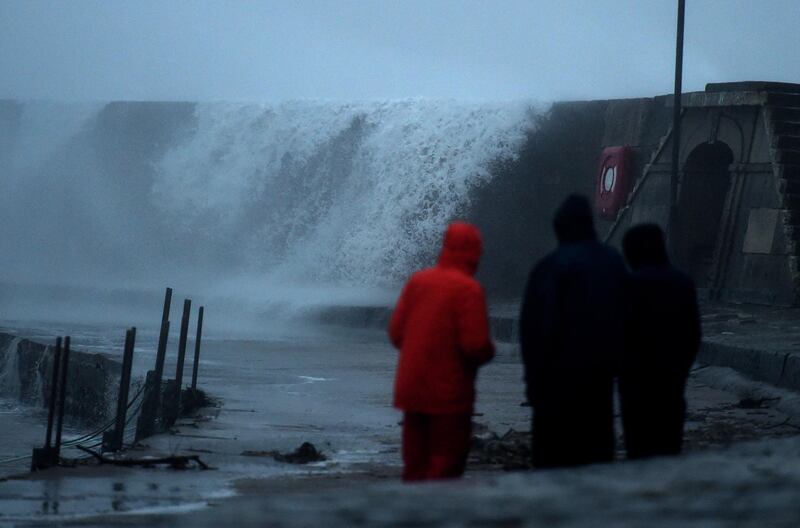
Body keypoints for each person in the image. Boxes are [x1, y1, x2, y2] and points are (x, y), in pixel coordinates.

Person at [519, 194, 628, 468]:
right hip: (598, 377)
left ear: (559, 227)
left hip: (554, 378)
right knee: (594, 453)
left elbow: (531, 330)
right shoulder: (612, 262)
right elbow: (627, 317)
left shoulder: (549, 267)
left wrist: (532, 381)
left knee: (552, 456)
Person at [389, 221, 495, 481]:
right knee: (445, 463)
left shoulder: (418, 281)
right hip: (448, 394)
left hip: (411, 390)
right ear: (475, 251)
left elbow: (395, 334)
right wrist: (490, 353)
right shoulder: (468, 290)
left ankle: (409, 515)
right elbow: (475, 345)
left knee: (414, 462)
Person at [620, 223, 701, 459]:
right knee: (669, 444)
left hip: (635, 380)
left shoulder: (629, 285)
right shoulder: (682, 282)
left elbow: (618, 334)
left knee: (638, 447)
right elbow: (693, 333)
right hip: (671, 378)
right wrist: (681, 369)